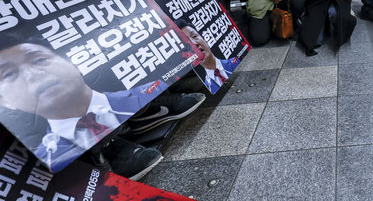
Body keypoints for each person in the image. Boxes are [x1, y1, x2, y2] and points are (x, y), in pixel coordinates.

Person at [0, 41, 167, 172]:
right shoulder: (48, 161)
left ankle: (139, 119)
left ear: (72, 63)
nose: (32, 75)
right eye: (8, 74)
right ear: (4, 102)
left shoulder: (151, 88)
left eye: (39, 59)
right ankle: (95, 153)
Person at [176, 18, 241, 92]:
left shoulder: (236, 62)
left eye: (194, 36)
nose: (194, 43)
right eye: (186, 44)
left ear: (205, 39)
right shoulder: (208, 86)